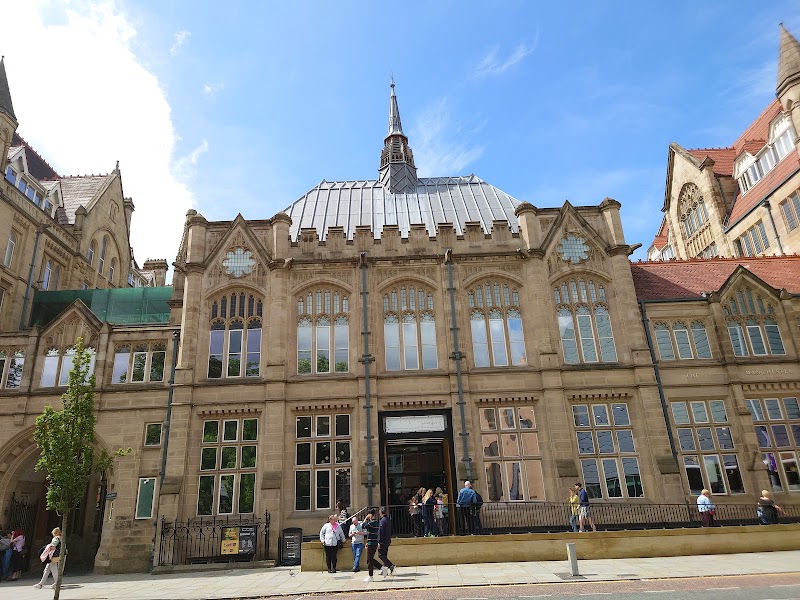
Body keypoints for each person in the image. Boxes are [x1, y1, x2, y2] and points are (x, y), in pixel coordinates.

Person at [362, 512, 382, 582]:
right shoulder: (376, 523)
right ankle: (382, 568)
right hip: (372, 542)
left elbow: (363, 525)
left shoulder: (372, 523)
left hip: (372, 543)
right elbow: (370, 533)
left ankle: (371, 576)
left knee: (369, 560)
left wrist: (365, 518)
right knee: (370, 559)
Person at [377, 506, 396, 576]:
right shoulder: (388, 520)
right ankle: (384, 570)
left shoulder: (382, 521)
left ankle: (391, 566)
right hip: (387, 540)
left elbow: (381, 532)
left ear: (381, 512)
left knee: (381, 555)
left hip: (383, 541)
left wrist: (379, 541)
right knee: (384, 555)